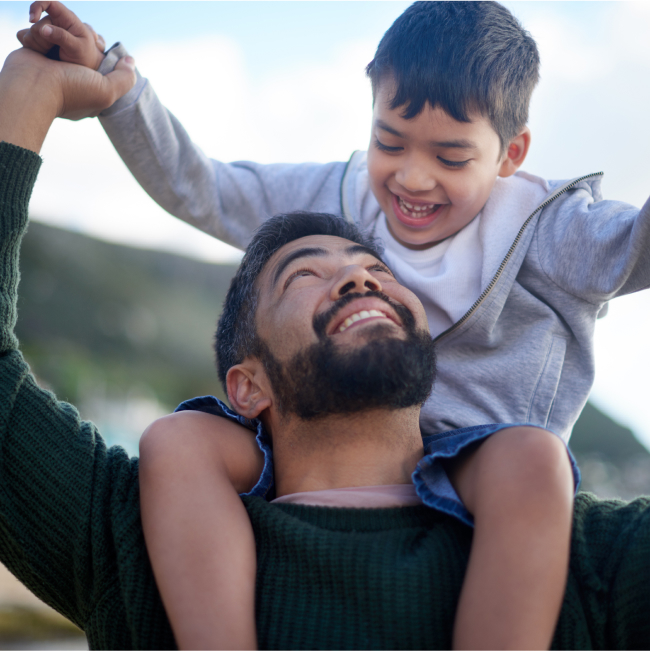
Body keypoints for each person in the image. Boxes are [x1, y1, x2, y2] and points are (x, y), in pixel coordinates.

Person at [17, 1, 650, 648]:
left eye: (452, 157)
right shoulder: (343, 199)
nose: (411, 176)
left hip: (476, 465)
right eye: (390, 141)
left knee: (533, 459)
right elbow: (205, 188)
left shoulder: (551, 226)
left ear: (510, 153)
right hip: (324, 448)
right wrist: (119, 91)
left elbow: (635, 246)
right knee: (177, 440)